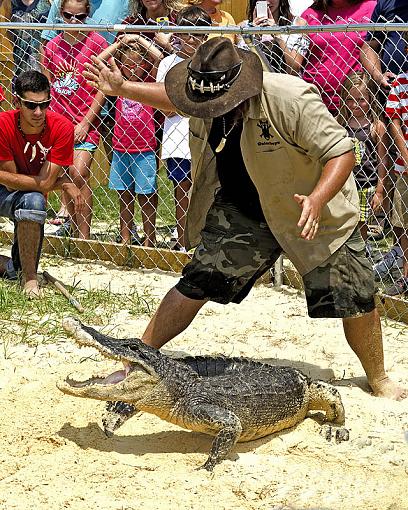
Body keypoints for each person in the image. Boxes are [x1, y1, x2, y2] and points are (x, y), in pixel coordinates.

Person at [84, 36, 407, 400]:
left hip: (311, 210)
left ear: (241, 88)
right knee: (197, 281)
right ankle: (138, 361)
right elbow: (171, 99)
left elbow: (341, 151)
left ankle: (379, 379)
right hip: (243, 209)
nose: (208, 108)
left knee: (355, 295)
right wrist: (122, 87)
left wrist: (317, 199)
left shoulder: (290, 98)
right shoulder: (202, 94)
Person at [0, 70, 82, 297]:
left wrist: (54, 183)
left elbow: (43, 183)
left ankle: (29, 279)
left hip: (25, 192)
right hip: (5, 192)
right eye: (31, 105)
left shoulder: (62, 127)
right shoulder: (3, 124)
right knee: (33, 197)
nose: (38, 112)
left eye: (44, 104)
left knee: (34, 201)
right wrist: (62, 182)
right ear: (17, 101)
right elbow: (10, 185)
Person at [43, 0, 108, 240]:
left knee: (79, 172)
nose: (73, 22)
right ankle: (72, 226)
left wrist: (87, 122)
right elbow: (48, 86)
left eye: (79, 17)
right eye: (68, 16)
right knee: (66, 176)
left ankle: (84, 236)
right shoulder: (52, 46)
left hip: (84, 123)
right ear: (61, 14)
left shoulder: (96, 43)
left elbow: (103, 87)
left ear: (87, 15)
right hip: (58, 124)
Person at [156, 6, 210, 250]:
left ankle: (206, 242)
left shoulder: (211, 63)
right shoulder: (168, 64)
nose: (192, 40)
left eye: (198, 35)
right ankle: (183, 240)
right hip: (177, 140)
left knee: (209, 191)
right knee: (183, 192)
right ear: (177, 34)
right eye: (187, 33)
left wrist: (182, 101)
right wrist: (196, 103)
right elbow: (164, 107)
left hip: (208, 138)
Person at [99, 36, 162, 247]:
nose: (133, 69)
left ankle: (149, 238)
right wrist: (118, 45)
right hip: (120, 148)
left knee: (146, 194)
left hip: (144, 149)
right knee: (124, 195)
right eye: (128, 64)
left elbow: (159, 56)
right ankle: (126, 237)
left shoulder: (147, 84)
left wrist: (137, 38)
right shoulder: (117, 84)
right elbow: (97, 60)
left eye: (138, 64)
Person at [293, 0, 376, 115]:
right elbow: (294, 62)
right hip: (315, 103)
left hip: (357, 105)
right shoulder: (310, 14)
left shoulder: (372, 7)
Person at [337, 70, 388, 242]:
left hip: (366, 185)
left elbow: (382, 160)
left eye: (361, 100)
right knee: (342, 222)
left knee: (361, 224)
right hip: (342, 184)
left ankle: (361, 253)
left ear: (370, 99)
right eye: (350, 99)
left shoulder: (376, 126)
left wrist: (380, 190)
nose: (355, 105)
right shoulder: (339, 123)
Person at [383, 36, 408, 296]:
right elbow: (394, 121)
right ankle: (406, 275)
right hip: (405, 168)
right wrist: (406, 155)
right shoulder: (401, 83)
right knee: (403, 223)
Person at [239, 0, 309, 74]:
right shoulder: (243, 28)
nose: (266, 1)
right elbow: (244, 66)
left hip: (285, 82)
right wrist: (255, 37)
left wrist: (277, 34)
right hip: (254, 81)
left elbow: (294, 69)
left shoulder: (297, 24)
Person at [8, 0, 51, 78]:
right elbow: (8, 33)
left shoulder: (48, 2)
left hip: (43, 64)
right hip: (18, 65)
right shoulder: (10, 3)